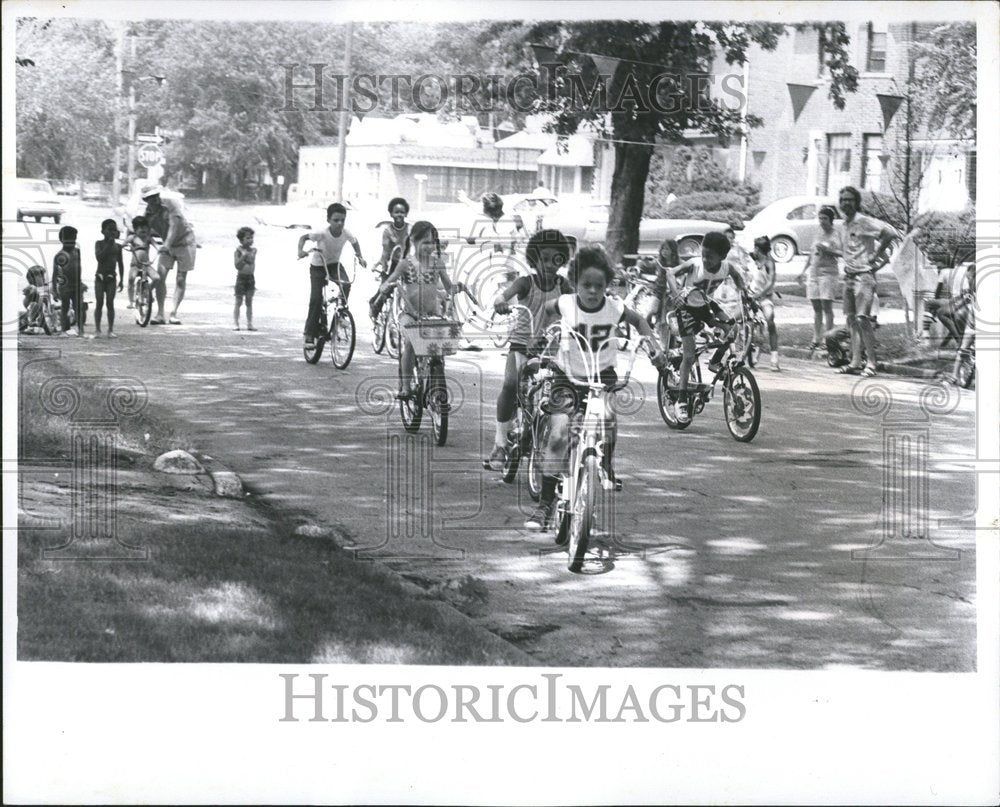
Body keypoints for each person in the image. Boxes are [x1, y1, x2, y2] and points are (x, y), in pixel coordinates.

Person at [525, 244, 665, 531]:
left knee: (609, 419)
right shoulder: (567, 303)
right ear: (575, 282)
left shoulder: (613, 307)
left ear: (606, 286)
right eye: (586, 285)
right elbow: (549, 310)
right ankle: (545, 504)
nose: (592, 291)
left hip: (602, 376)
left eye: (598, 286)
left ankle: (606, 465)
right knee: (558, 435)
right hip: (568, 376)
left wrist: (652, 345)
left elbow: (638, 320)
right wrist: (540, 337)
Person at [487, 229, 574, 471]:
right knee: (510, 384)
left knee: (560, 391)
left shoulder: (564, 285)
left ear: (562, 261)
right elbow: (500, 297)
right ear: (534, 258)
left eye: (555, 259)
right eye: (543, 258)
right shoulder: (525, 282)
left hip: (552, 347)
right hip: (523, 344)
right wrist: (501, 303)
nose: (549, 264)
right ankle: (500, 443)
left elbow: (578, 305)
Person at [663, 230, 752, 423]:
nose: (704, 259)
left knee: (732, 328)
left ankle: (715, 361)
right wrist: (675, 293)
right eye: (703, 254)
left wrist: (745, 293)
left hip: (706, 304)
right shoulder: (695, 265)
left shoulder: (726, 267)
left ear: (722, 257)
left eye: (710, 257)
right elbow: (670, 272)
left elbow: (737, 278)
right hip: (687, 308)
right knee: (689, 355)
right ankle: (682, 399)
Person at [378, 221, 464, 399]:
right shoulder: (405, 264)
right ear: (413, 241)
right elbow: (390, 280)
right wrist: (386, 286)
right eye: (425, 242)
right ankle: (406, 386)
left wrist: (458, 287)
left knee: (438, 349)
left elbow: (448, 287)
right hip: (410, 315)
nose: (429, 246)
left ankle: (435, 378)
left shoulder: (437, 263)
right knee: (410, 345)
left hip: (432, 315)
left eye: (432, 242)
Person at [834, 185, 899, 378]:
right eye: (843, 199)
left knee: (863, 319)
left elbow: (890, 233)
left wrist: (877, 255)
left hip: (864, 277)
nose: (846, 203)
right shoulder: (844, 225)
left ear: (857, 203)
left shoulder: (864, 221)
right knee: (852, 320)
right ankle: (855, 361)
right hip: (849, 276)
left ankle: (872, 362)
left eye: (850, 200)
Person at [297, 203, 367, 349]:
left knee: (346, 284)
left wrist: (360, 257)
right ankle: (309, 335)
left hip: (334, 265)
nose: (340, 223)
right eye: (336, 220)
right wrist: (300, 251)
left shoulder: (346, 233)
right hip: (318, 267)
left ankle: (341, 313)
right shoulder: (321, 233)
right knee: (316, 300)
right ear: (328, 220)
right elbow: (303, 237)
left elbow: (355, 242)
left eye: (342, 220)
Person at [141, 182, 197, 325]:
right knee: (160, 277)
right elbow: (145, 234)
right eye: (150, 198)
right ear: (146, 200)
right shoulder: (147, 213)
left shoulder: (170, 205)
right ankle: (160, 313)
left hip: (185, 243)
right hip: (167, 246)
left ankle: (173, 313)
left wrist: (166, 244)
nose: (154, 200)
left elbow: (174, 227)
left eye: (155, 196)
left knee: (180, 278)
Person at [798, 205, 841, 353]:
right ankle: (816, 338)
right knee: (816, 307)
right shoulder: (817, 233)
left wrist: (828, 249)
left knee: (826, 307)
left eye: (825, 218)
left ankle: (828, 339)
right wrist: (803, 271)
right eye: (820, 218)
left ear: (831, 220)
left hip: (828, 273)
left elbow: (841, 253)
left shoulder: (835, 234)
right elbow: (811, 254)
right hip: (814, 273)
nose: (822, 221)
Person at [369, 197, 410, 321]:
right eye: (396, 212)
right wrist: (383, 263)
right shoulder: (388, 231)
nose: (399, 215)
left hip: (408, 265)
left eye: (402, 212)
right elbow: (386, 250)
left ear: (406, 213)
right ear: (391, 214)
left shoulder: (410, 228)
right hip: (394, 264)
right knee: (385, 290)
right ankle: (374, 307)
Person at [749, 235, 781, 371]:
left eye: (755, 247)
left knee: (770, 320)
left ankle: (774, 357)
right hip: (751, 295)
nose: (753, 250)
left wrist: (760, 294)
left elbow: (770, 282)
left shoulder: (769, 262)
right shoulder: (754, 259)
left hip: (764, 297)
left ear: (759, 249)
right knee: (741, 320)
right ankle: (748, 349)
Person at [93, 219, 124, 338]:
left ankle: (110, 329)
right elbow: (99, 258)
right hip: (100, 277)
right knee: (99, 302)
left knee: (110, 303)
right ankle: (97, 329)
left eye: (114, 230)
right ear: (103, 231)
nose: (112, 232)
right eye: (109, 229)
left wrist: (121, 279)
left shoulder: (118, 247)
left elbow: (120, 264)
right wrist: (108, 245)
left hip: (112, 277)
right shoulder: (99, 244)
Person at [52, 225, 85, 337]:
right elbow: (55, 273)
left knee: (78, 308)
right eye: (69, 239)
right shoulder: (59, 255)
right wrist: (54, 289)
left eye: (74, 239)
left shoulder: (77, 252)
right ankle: (63, 331)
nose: (72, 242)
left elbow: (79, 268)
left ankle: (81, 331)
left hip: (77, 285)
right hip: (64, 286)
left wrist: (81, 282)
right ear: (62, 240)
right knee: (64, 307)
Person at [126, 215, 153, 308]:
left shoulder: (148, 238)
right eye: (140, 228)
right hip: (135, 265)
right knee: (131, 279)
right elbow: (122, 245)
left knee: (157, 278)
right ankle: (131, 301)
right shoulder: (132, 238)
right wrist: (127, 247)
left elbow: (158, 246)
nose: (143, 230)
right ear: (135, 229)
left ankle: (148, 293)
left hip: (146, 265)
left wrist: (162, 249)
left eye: (145, 227)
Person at [233, 226, 257, 331]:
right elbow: (237, 265)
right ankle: (236, 323)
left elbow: (251, 259)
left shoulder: (254, 250)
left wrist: (243, 254)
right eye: (248, 238)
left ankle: (249, 323)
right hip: (241, 278)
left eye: (251, 238)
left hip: (250, 278)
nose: (250, 240)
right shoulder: (237, 252)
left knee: (249, 301)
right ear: (241, 239)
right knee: (238, 301)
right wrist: (242, 256)